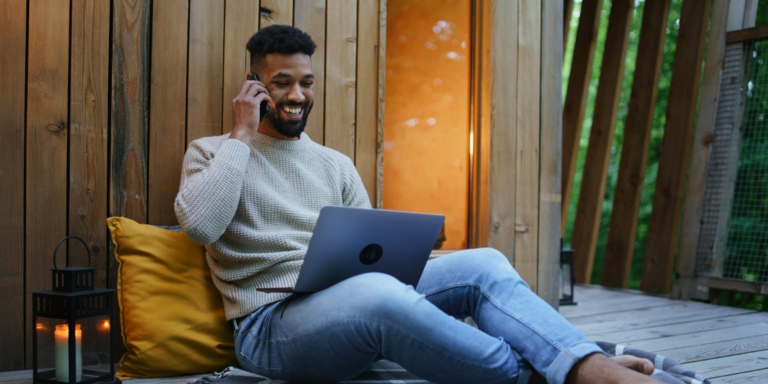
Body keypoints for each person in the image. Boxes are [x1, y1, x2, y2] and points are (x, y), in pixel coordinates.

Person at [175, 25, 660, 384]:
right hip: (272, 329)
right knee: (378, 296)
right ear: (253, 85)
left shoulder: (334, 164)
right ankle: (554, 374)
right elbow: (201, 225)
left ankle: (580, 362)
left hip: (350, 300)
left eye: (307, 82)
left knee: (483, 264)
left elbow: (369, 253)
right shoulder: (213, 152)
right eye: (282, 83)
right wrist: (241, 133)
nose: (298, 95)